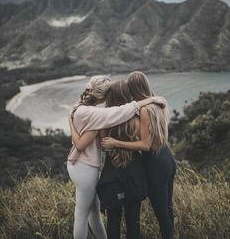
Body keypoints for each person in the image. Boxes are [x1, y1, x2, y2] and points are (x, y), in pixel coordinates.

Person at [67, 75, 163, 239]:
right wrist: (151, 100)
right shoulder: (94, 115)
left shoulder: (79, 108)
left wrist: (71, 125)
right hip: (85, 166)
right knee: (82, 216)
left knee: (95, 213)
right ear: (102, 95)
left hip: (81, 166)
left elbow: (112, 118)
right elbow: (119, 113)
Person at [101, 71, 176, 239]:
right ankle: (170, 234)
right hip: (167, 157)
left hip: (155, 162)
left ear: (133, 89)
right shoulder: (159, 104)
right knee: (168, 207)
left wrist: (115, 143)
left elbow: (145, 145)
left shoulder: (143, 111)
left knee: (160, 209)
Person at [97, 80, 148, 239]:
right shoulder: (136, 119)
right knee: (134, 221)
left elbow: (104, 146)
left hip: (112, 176)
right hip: (134, 175)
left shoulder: (103, 121)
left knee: (113, 221)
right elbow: (143, 144)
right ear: (127, 96)